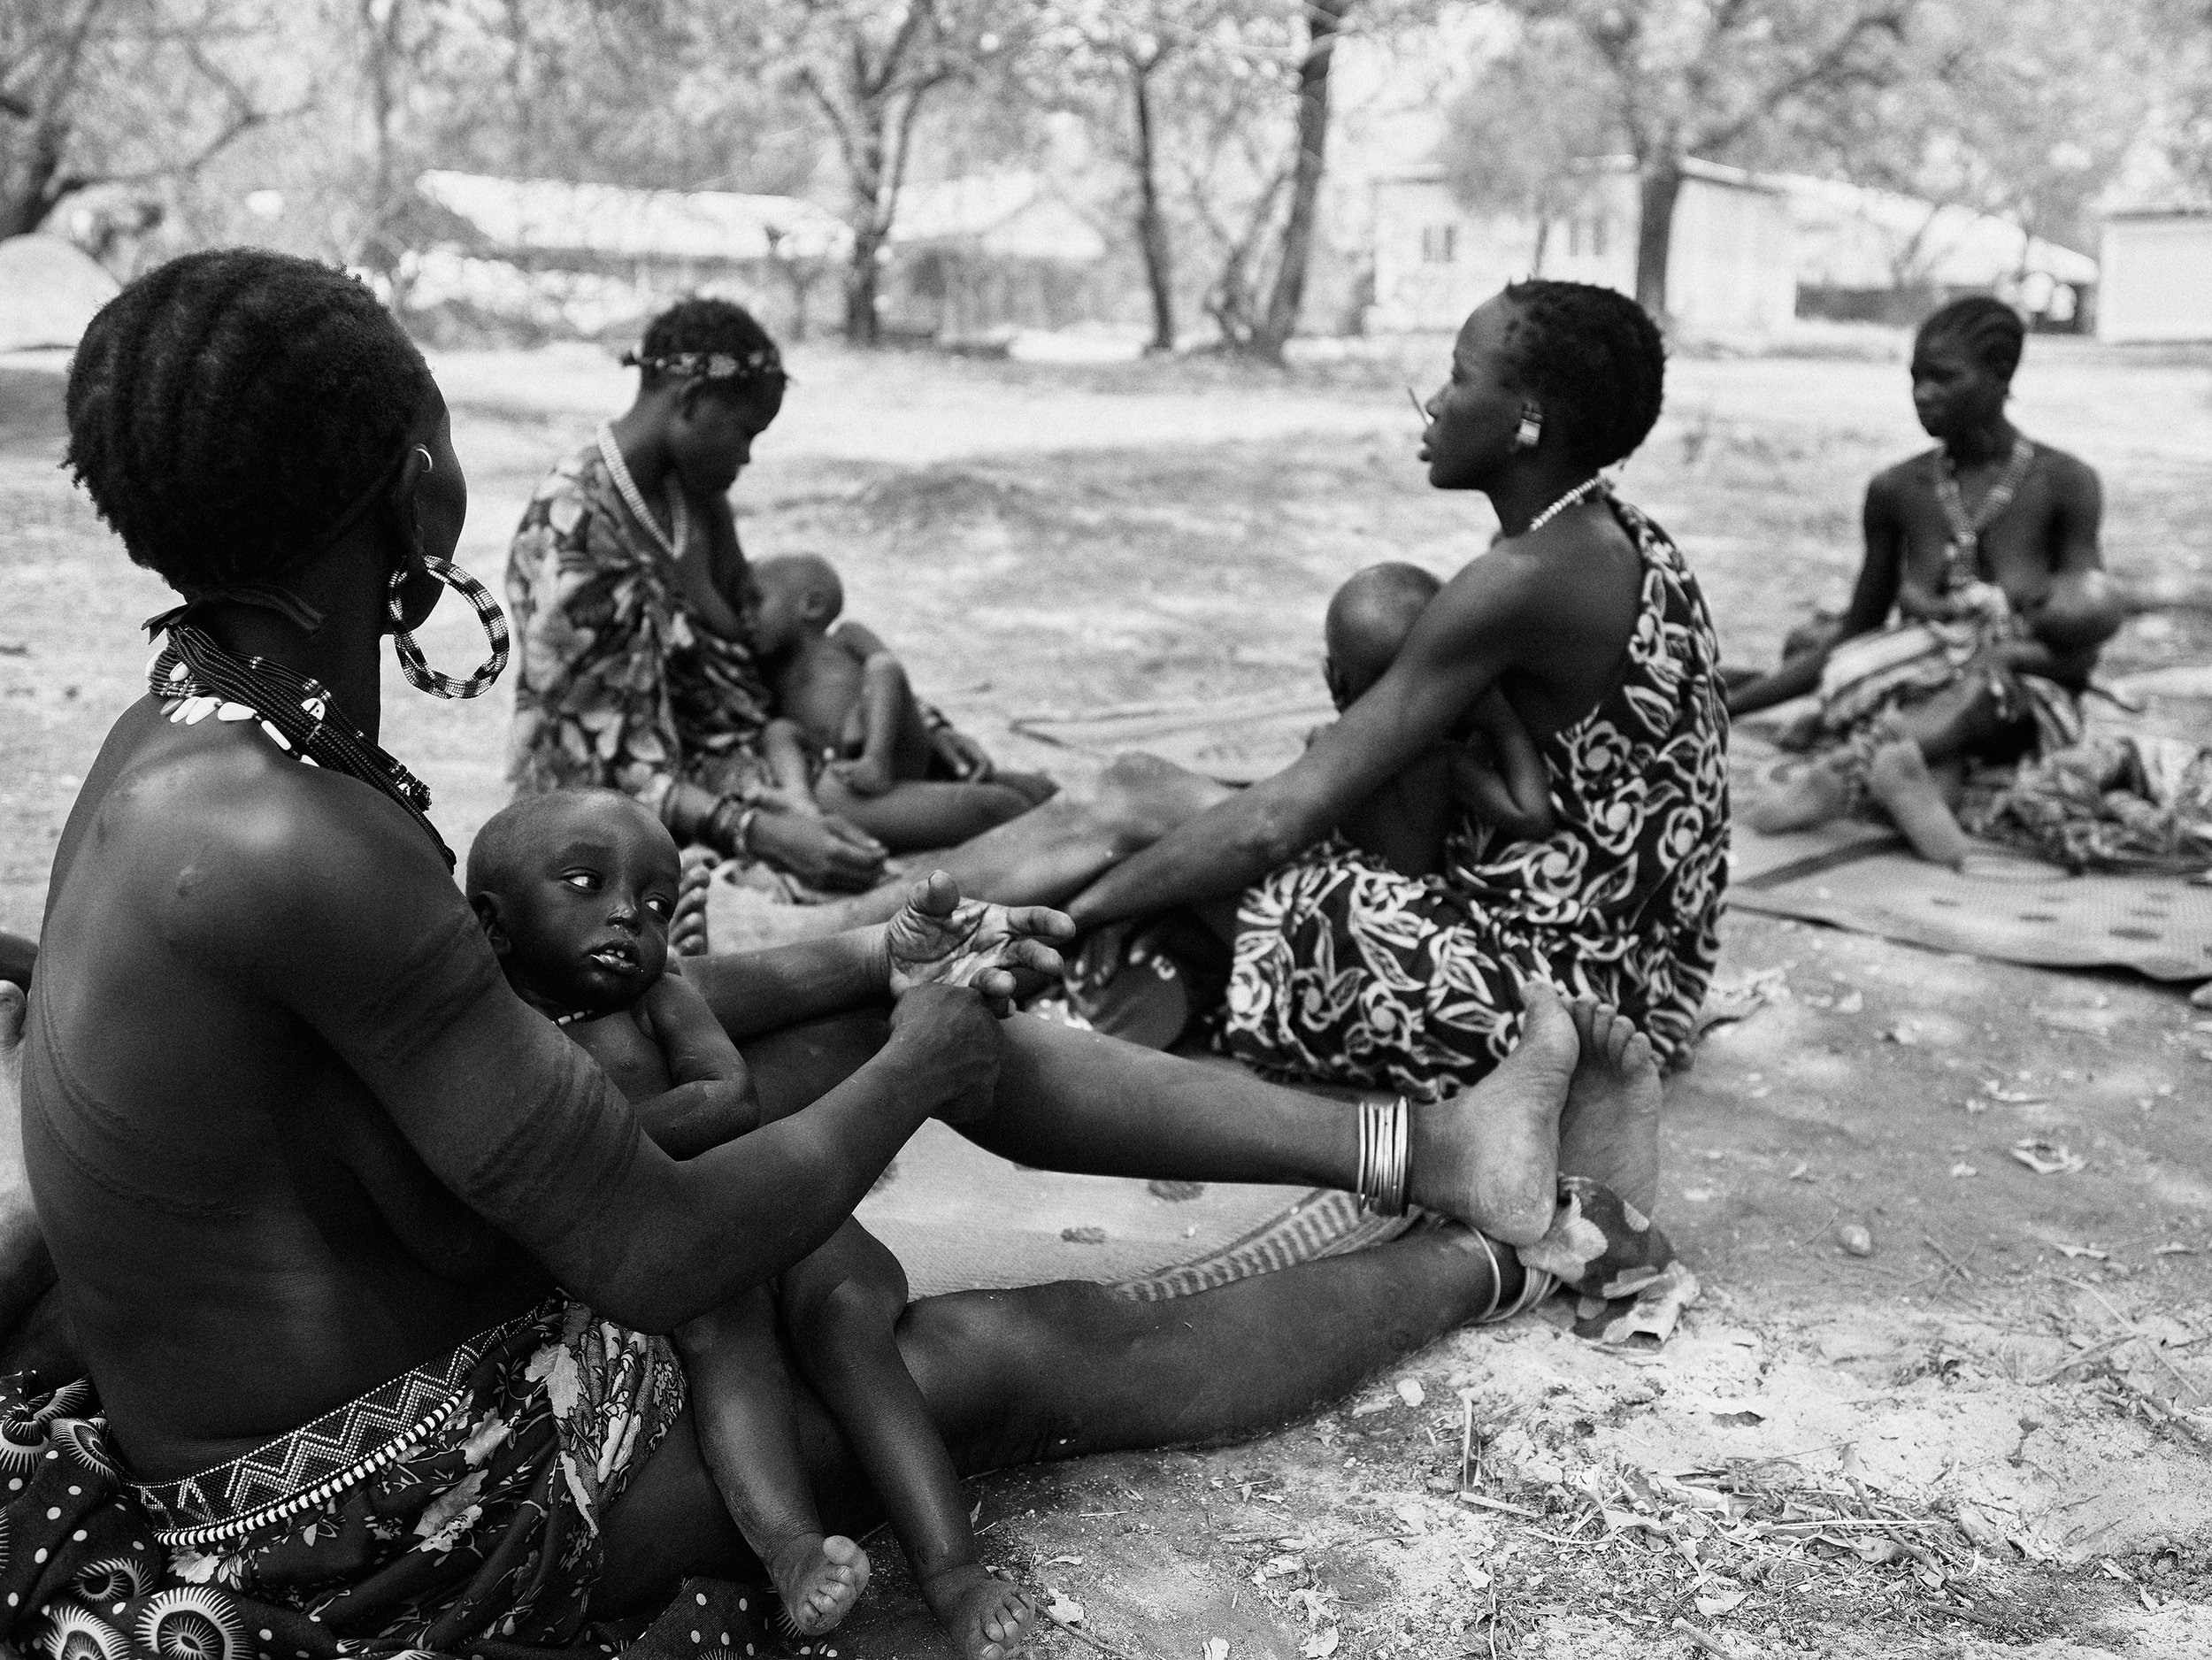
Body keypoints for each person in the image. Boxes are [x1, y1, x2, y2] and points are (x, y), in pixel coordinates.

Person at [5, 249, 1676, 1659]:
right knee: (986, 1351)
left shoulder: (208, 744)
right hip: (366, 1510)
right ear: (411, 485)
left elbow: (479, 1034)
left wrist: (875, 963)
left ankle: (1442, 1148)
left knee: (881, 1036)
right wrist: (911, 1067)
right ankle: (1516, 1257)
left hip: (385, 1324)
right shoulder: (297, 840)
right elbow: (653, 1256)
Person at [1046, 281, 1727, 1103]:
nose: (1434, 404)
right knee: (1166, 821)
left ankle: (927, 934)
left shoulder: (1520, 579)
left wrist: (1073, 916)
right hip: (1643, 987)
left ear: (1529, 418)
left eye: (1459, 376)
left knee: (1145, 806)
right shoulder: (1625, 539)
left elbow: (1272, 825)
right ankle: (910, 929)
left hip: (1545, 1011)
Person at [465, 789, 1032, 1655]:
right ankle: (793, 1550)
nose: (626, 913)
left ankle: (950, 1570)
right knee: (715, 1320)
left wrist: (587, 1154)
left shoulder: (663, 997)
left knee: (842, 1325)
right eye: (586, 882)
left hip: (784, 1226)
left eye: (656, 905)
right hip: (687, 1260)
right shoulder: (484, 1035)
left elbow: (727, 1100)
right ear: (492, 924)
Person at [503, 298, 1002, 894]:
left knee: (998, 795)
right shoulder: (575, 531)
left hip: (777, 758)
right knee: (993, 821)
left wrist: (915, 727)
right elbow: (591, 763)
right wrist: (757, 831)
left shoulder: (691, 495)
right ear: (690, 401)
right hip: (662, 797)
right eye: (745, 432)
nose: (747, 456)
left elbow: (770, 649)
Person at [1727, 296, 2123, 866]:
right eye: (1915, 378)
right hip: (1909, 686)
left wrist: (2005, 657)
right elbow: (1855, 633)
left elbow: (2079, 648)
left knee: (1981, 690)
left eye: (1945, 378)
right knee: (1918, 724)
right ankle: (1914, 783)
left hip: (2022, 695)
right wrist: (1732, 707)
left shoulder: (2065, 484)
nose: (1923, 394)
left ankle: (1847, 769)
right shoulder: (1897, 489)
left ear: (2001, 375)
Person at [749, 553, 1056, 851]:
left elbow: (894, 675)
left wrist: (927, 729)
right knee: (778, 730)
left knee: (882, 668)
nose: (743, 617)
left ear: (812, 605)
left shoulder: (846, 637)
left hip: (896, 746)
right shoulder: (773, 671)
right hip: (841, 767)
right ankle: (797, 795)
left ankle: (876, 761)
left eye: (755, 602)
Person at [1322, 561, 1554, 877]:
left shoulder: (1320, 746)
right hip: (1409, 906)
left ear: (1332, 678)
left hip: (1347, 890)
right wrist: (1501, 720)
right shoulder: (1441, 764)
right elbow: (1532, 817)